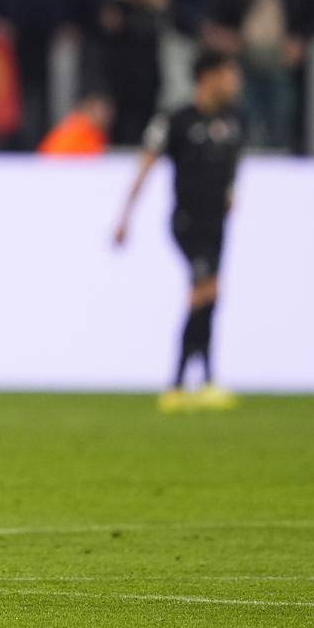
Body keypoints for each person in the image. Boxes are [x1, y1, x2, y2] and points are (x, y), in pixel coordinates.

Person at [113, 51, 244, 413]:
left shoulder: (232, 121)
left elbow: (232, 166)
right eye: (229, 74)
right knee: (202, 291)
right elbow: (146, 164)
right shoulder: (178, 120)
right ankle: (178, 384)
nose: (235, 82)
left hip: (216, 222)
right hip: (188, 221)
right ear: (208, 77)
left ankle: (205, 382)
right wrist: (125, 217)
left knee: (211, 293)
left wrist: (230, 193)